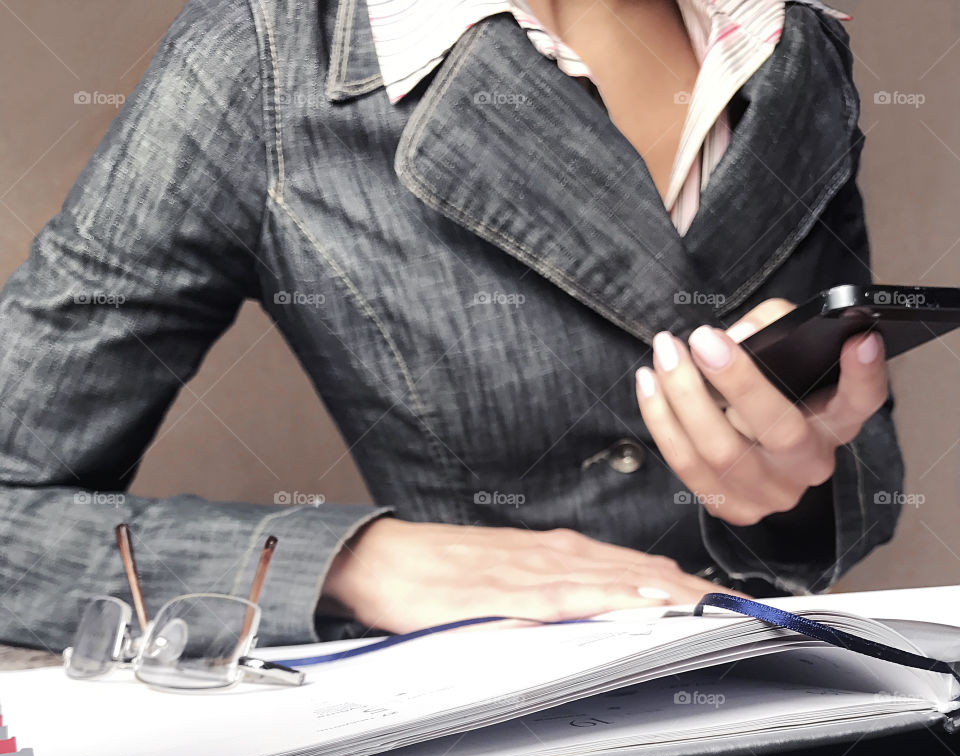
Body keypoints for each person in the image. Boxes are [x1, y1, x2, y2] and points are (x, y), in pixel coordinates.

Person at [0, 0, 901, 652]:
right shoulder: (260, 60)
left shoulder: (795, 36)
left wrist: (788, 494)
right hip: (477, 755)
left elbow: (864, 475)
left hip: (771, 705)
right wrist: (357, 561)